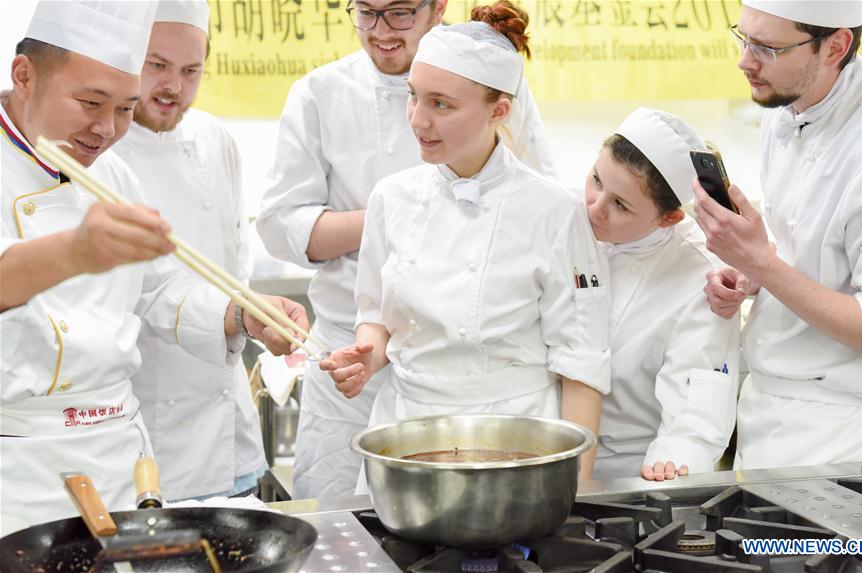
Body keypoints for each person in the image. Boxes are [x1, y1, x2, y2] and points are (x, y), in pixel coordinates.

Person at [0, 0, 307, 526]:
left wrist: (242, 313)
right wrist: (73, 253)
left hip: (120, 456)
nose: (107, 129)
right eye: (91, 102)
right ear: (24, 75)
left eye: (124, 108)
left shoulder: (113, 174)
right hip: (18, 461)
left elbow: (159, 290)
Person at [256, 0, 558, 498]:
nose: (381, 31)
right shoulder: (320, 94)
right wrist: (397, 216)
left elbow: (536, 205)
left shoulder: (494, 83)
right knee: (338, 517)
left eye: (399, 13)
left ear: (438, 7)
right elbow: (278, 225)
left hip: (456, 373)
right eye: (366, 13)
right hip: (350, 352)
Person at [320, 1, 609, 483]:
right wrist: (366, 356)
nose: (417, 120)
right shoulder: (392, 198)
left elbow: (581, 368)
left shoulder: (555, 212)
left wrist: (574, 494)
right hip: (404, 438)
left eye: (441, 105)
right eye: (414, 96)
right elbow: (375, 317)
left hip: (517, 444)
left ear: (498, 110)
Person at [694, 0, 862, 468]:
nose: (745, 61)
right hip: (766, 408)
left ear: (835, 47)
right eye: (744, 38)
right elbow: (801, 254)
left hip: (848, 434)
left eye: (767, 48)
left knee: (789, 548)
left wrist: (761, 263)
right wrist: (747, 274)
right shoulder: (784, 105)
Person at [113, 0, 267, 501]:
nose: (173, 86)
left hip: (228, 428)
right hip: (147, 431)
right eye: (156, 65)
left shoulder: (214, 138)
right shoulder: (102, 149)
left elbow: (232, 267)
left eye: (190, 70)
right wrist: (236, 316)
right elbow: (146, 290)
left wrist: (246, 316)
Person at [583, 108, 740, 482]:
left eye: (620, 205)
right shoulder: (565, 224)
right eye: (596, 180)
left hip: (627, 479)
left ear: (670, 218)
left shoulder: (699, 277)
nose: (595, 208)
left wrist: (668, 468)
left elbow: (694, 411)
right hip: (549, 456)